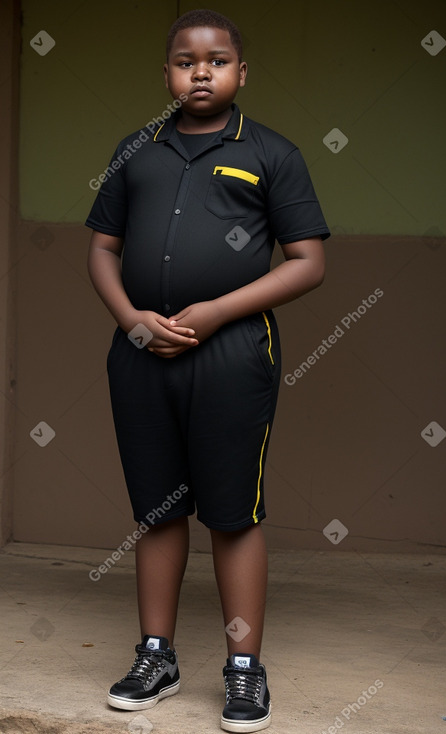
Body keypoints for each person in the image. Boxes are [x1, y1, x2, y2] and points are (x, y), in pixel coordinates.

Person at [86, 8, 329, 732]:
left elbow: (309, 263)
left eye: (217, 60)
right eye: (186, 60)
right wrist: (130, 319)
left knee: (231, 512)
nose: (201, 71)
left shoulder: (270, 154)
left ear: (240, 72)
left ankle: (244, 669)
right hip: (140, 353)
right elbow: (101, 249)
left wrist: (219, 311)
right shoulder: (136, 150)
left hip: (231, 356)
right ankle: (155, 657)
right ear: (166, 73)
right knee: (157, 510)